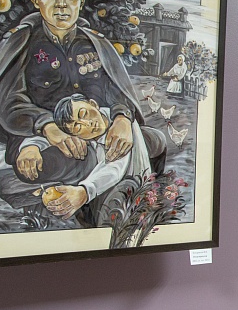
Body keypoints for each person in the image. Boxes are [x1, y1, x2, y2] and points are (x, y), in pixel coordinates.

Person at [0, 0, 165, 187]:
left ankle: (143, 198)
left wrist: (122, 118)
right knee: (60, 162)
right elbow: (8, 105)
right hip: (39, 137)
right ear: (35, 0)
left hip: (100, 132)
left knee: (155, 141)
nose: (61, 4)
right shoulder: (22, 42)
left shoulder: (95, 43)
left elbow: (116, 90)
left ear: (80, 1)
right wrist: (46, 127)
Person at [33, 93, 151, 224]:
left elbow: (114, 168)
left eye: (84, 114)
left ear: (93, 104)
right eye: (78, 127)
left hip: (132, 192)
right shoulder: (89, 137)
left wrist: (84, 191)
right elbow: (50, 139)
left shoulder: (120, 127)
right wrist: (30, 147)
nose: (87, 124)